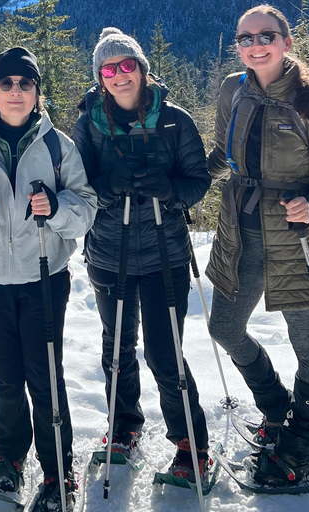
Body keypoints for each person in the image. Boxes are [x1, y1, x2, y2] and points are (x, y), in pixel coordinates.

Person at [0, 47, 96, 511]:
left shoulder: (57, 145)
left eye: (25, 84)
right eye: (6, 83)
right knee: (3, 377)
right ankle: (10, 457)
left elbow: (86, 208)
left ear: (37, 93)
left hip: (44, 278)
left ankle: (56, 466)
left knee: (46, 377)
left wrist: (58, 208)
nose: (15, 91)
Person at [206, 4, 309, 486]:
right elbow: (223, 155)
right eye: (245, 38)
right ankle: (276, 407)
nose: (255, 45)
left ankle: (304, 444)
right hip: (241, 232)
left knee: (308, 345)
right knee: (225, 327)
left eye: (265, 35)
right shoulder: (234, 88)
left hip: (296, 238)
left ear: (286, 42)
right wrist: (185, 181)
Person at [71, 28, 212, 482]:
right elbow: (77, 186)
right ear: (99, 77)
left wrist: (170, 191)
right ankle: (124, 427)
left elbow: (198, 181)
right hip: (109, 253)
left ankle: (192, 443)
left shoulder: (175, 120)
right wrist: (106, 190)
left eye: (126, 65)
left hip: (164, 254)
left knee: (165, 351)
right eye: (108, 69)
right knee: (116, 346)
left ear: (142, 67)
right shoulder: (88, 122)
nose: (119, 75)